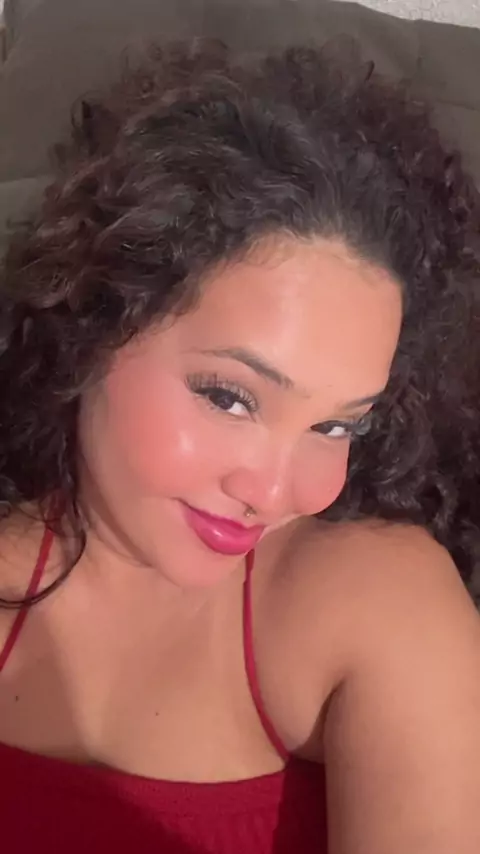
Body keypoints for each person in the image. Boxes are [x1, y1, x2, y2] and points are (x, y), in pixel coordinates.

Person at [0, 37, 480, 854]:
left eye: (337, 425)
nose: (274, 491)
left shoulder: (372, 605)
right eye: (229, 397)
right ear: (93, 322)